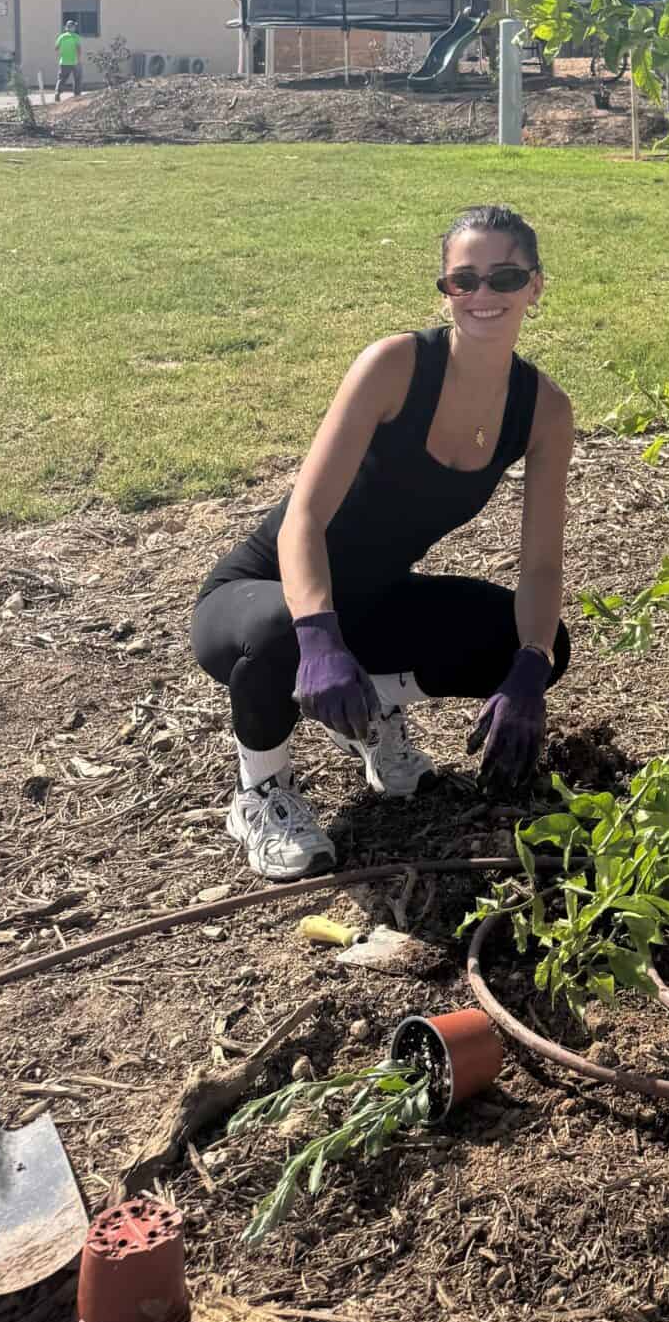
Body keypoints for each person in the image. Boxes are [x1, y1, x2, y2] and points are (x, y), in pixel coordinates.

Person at [192, 204, 573, 877]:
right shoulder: (396, 367)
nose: (484, 295)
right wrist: (317, 635)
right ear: (445, 289)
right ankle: (260, 791)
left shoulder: (542, 408)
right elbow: (304, 518)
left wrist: (530, 669)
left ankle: (370, 711)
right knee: (284, 627)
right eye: (465, 280)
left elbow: (540, 564)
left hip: (372, 600)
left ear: (535, 286)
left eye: (505, 277)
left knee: (537, 641)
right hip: (262, 594)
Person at [53, 24, 83, 99]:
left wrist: (62, 53)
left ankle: (57, 93)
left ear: (66, 28)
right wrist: (79, 59)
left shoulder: (61, 37)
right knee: (77, 78)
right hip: (74, 61)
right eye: (74, 27)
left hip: (63, 61)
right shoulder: (76, 36)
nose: (75, 28)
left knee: (61, 79)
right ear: (72, 28)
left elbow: (56, 48)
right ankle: (77, 95)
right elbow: (78, 49)